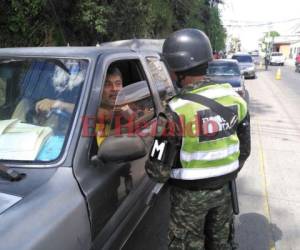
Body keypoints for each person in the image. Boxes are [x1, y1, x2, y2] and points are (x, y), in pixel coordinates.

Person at [145, 28, 251, 249]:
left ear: (176, 69)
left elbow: (158, 171)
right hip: (224, 193)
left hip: (188, 200)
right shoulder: (235, 99)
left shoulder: (176, 110)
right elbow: (244, 150)